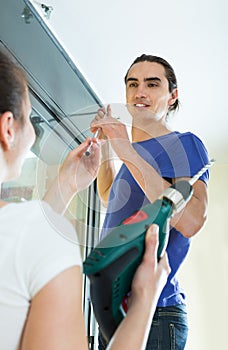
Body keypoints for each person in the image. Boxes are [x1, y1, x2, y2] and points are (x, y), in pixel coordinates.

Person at [0, 50, 170, 350]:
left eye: (152, 84)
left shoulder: (24, 232)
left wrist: (66, 184)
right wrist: (145, 300)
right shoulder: (41, 238)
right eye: (30, 120)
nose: (32, 135)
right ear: (8, 128)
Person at [90, 54, 210, 349]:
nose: (140, 92)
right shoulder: (131, 157)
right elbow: (111, 198)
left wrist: (125, 150)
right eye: (133, 84)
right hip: (115, 311)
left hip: (156, 312)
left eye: (152, 84)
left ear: (172, 97)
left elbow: (192, 219)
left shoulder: (184, 144)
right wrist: (106, 147)